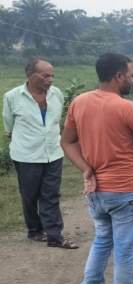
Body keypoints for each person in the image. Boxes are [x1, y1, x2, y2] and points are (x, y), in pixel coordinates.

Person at [61, 53, 133, 284]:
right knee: (126, 247)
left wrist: (85, 167)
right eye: (131, 75)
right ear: (118, 76)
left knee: (102, 240)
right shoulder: (125, 108)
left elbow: (67, 141)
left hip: (95, 190)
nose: (132, 80)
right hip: (124, 189)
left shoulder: (79, 102)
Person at [2, 58, 77, 249]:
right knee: (29, 195)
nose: (50, 79)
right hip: (26, 155)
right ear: (30, 75)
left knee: (51, 195)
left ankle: (54, 235)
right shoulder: (12, 97)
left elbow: (56, 121)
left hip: (53, 152)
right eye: (45, 75)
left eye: (52, 75)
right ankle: (34, 230)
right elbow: (8, 125)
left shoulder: (56, 94)